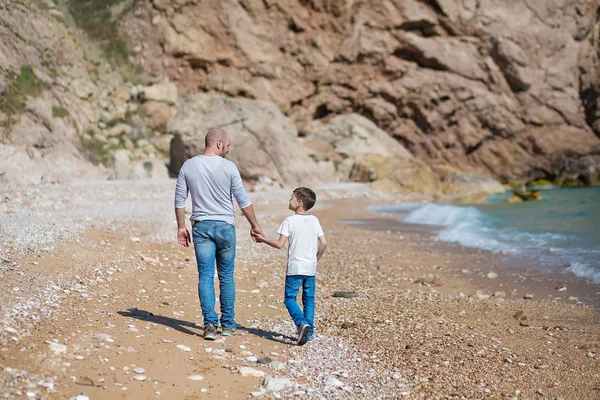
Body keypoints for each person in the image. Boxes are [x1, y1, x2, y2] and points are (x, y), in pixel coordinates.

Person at [174, 127, 264, 340]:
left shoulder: (189, 165)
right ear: (219, 144)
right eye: (228, 145)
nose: (229, 149)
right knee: (226, 276)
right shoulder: (229, 167)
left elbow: (179, 200)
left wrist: (180, 227)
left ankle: (210, 326)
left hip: (201, 227)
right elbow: (243, 200)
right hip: (225, 228)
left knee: (205, 275)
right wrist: (255, 225)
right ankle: (229, 324)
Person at [253, 187, 327, 345]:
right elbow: (324, 243)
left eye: (291, 198)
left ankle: (301, 323)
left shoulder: (289, 221)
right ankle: (310, 332)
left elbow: (280, 244)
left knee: (289, 299)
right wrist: (316, 259)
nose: (289, 201)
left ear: (299, 202)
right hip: (310, 268)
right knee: (309, 300)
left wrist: (262, 239)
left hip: (295, 268)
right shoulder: (314, 220)